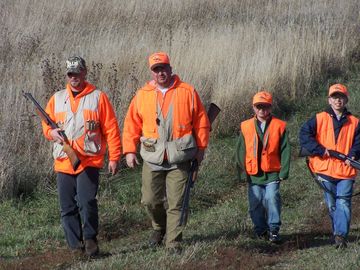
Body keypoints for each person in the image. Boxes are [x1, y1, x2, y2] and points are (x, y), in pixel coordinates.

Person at [122, 52, 210, 254]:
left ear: (170, 68)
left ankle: (173, 242)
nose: (161, 72)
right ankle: (159, 228)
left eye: (163, 68)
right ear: (152, 72)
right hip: (152, 156)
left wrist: (201, 149)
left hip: (180, 157)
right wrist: (129, 151)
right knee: (150, 200)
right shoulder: (142, 94)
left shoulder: (187, 91)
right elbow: (131, 124)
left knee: (177, 202)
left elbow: (202, 123)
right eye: (156, 69)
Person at [42, 56, 121, 256]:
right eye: (70, 73)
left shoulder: (98, 97)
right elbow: (46, 125)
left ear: (85, 72)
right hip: (63, 161)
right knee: (67, 207)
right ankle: (75, 247)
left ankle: (90, 240)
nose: (74, 77)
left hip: (88, 161)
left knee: (87, 202)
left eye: (77, 72)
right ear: (67, 75)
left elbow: (111, 128)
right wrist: (50, 133)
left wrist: (114, 157)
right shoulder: (57, 98)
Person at [299, 84, 360, 249]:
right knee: (332, 205)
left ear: (346, 99)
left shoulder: (355, 122)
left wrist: (353, 155)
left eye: (341, 97)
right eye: (334, 97)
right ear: (329, 100)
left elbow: (358, 143)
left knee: (343, 203)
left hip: (346, 171)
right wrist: (320, 150)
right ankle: (338, 233)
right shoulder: (319, 118)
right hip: (325, 169)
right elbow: (304, 134)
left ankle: (341, 236)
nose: (338, 100)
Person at [235, 91, 290, 243]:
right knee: (255, 203)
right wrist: (241, 173)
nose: (262, 110)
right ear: (253, 108)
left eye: (265, 107)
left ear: (270, 107)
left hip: (273, 172)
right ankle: (260, 230)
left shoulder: (279, 126)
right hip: (253, 173)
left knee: (272, 198)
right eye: (259, 106)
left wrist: (284, 171)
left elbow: (285, 149)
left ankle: (273, 229)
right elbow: (240, 151)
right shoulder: (245, 126)